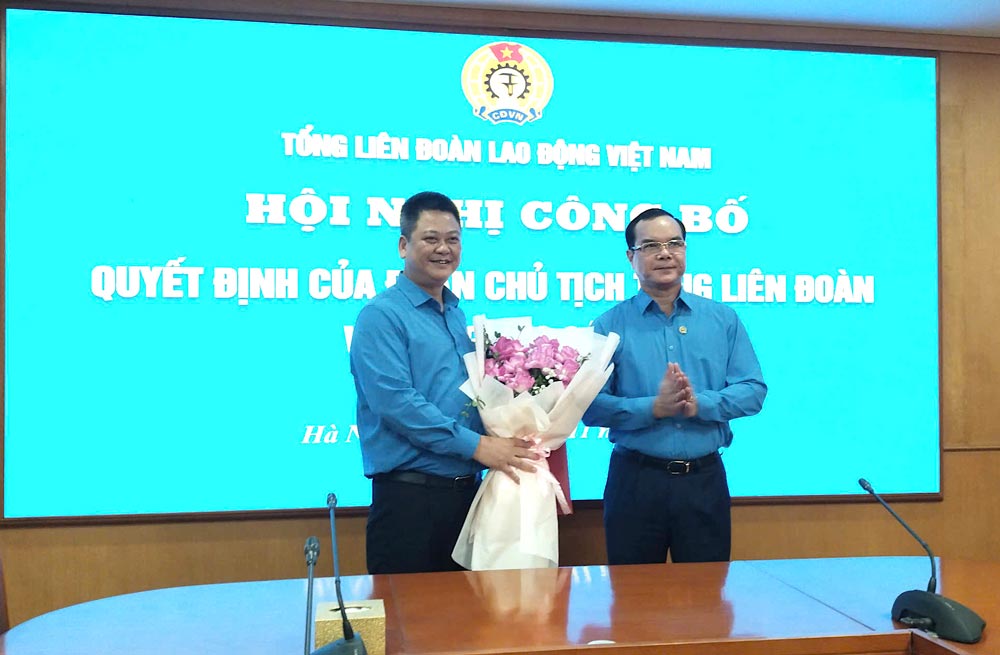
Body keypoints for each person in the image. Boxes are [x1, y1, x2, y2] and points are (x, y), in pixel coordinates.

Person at [349, 190, 538, 574]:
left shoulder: (455, 313)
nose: (443, 249)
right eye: (431, 238)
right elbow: (398, 404)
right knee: (411, 630)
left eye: (453, 239)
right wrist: (479, 445)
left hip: (466, 497)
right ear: (403, 245)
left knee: (467, 627)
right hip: (410, 503)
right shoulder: (380, 316)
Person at [582, 207, 766, 565]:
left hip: (704, 481)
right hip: (635, 480)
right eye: (651, 245)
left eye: (674, 244)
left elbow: (753, 390)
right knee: (632, 600)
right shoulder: (608, 325)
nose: (665, 253)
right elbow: (589, 407)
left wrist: (701, 404)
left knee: (706, 599)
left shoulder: (722, 319)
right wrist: (653, 408)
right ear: (630, 257)